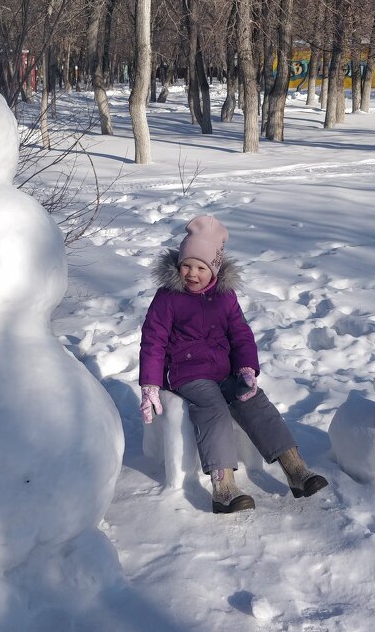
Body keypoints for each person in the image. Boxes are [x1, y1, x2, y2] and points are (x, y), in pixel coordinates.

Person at [138, 215, 328, 513]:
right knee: (213, 408)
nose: (192, 273)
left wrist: (246, 370)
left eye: (201, 267)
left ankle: (295, 468)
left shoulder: (224, 297)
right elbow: (153, 339)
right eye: (187, 265)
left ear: (214, 269)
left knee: (254, 400)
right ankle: (223, 485)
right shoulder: (168, 298)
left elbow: (240, 334)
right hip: (186, 373)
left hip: (224, 370)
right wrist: (149, 382)